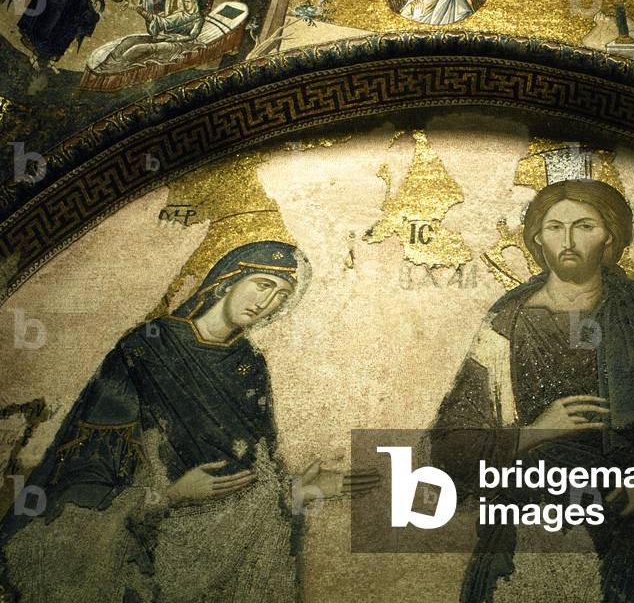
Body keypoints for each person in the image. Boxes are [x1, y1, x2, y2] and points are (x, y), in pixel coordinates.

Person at [430, 180, 634, 603]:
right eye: (554, 227)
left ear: (610, 237)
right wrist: (534, 432)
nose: (567, 241)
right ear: (536, 238)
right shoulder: (506, 323)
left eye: (584, 225)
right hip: (531, 529)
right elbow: (449, 446)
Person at [0, 241, 379, 602]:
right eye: (262, 285)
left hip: (236, 547)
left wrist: (294, 491)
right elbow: (85, 469)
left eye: (281, 296)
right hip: (152, 549)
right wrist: (168, 496)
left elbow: (252, 471)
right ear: (228, 279)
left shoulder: (249, 365)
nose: (266, 303)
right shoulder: (148, 348)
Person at [88, 0, 205, 76]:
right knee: (129, 41)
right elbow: (162, 22)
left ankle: (118, 69)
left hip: (179, 45)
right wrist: (138, 9)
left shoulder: (198, 19)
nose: (185, 4)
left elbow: (192, 36)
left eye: (188, 2)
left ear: (194, 3)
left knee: (142, 48)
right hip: (164, 38)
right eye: (184, 1)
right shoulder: (179, 15)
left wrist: (174, 37)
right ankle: (106, 66)